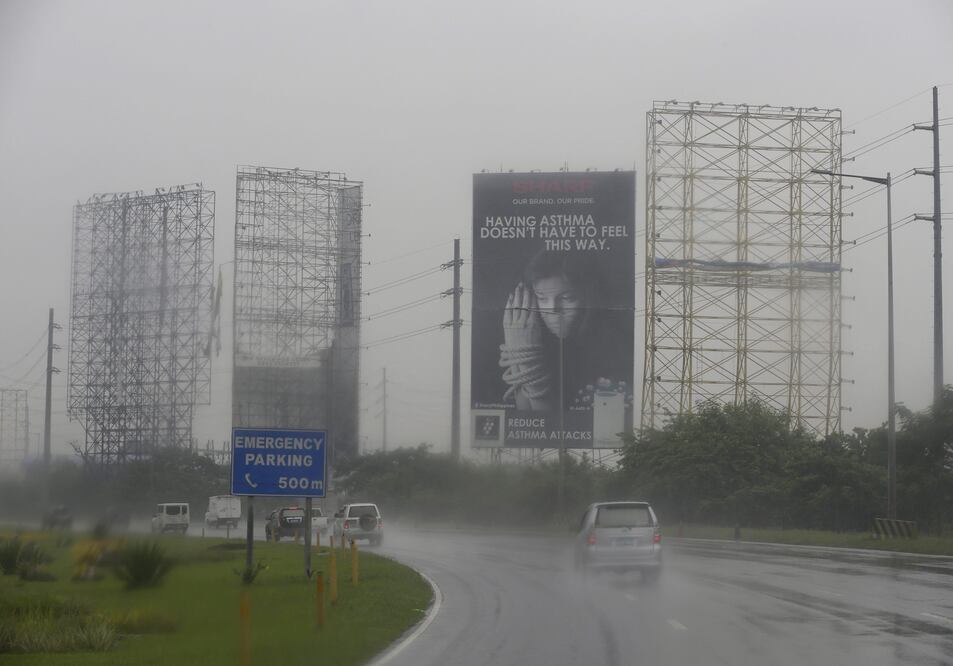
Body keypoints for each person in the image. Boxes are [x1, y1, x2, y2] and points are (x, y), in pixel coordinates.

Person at [498, 249, 630, 412]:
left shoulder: (616, 349)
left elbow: (546, 423)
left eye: (567, 298)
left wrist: (528, 364)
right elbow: (526, 416)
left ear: (588, 297)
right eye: (541, 298)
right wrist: (516, 343)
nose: (552, 310)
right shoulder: (537, 339)